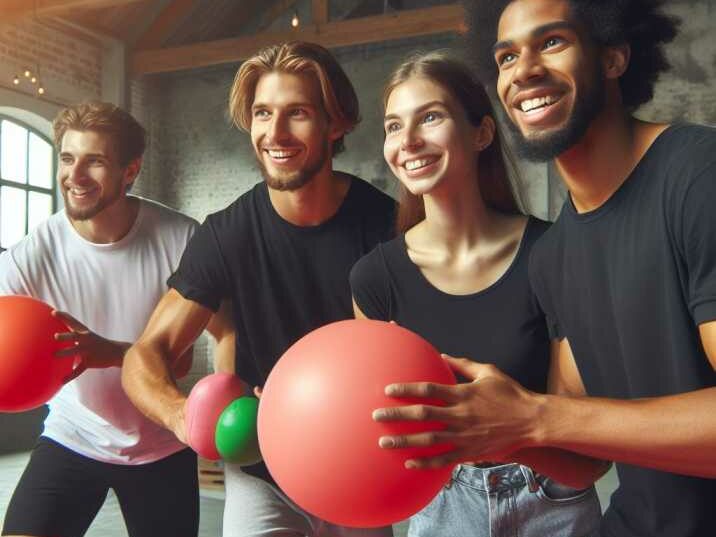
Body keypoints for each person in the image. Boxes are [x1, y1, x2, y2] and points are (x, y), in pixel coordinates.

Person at [370, 2, 716, 536]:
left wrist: (534, 417)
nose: (523, 71)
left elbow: (553, 417)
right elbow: (584, 459)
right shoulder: (556, 256)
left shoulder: (697, 176)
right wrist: (504, 433)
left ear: (614, 57)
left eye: (551, 42)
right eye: (507, 57)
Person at [121, 41, 396, 537]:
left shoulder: (385, 225)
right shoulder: (226, 233)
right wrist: (181, 415)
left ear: (337, 125)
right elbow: (146, 353)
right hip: (259, 472)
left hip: (357, 463)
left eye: (298, 114)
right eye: (263, 113)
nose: (275, 132)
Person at [350, 51, 605, 537]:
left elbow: (587, 461)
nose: (408, 141)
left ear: (483, 133)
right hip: (442, 505)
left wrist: (505, 433)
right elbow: (379, 428)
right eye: (392, 126)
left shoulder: (553, 255)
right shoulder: (374, 279)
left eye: (430, 117)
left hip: (553, 501)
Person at [0, 102, 230, 537]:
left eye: (95, 161)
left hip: (161, 441)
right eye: (67, 158)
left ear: (130, 171)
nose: (76, 175)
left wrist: (107, 353)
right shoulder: (32, 254)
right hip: (73, 435)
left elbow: (179, 366)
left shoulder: (181, 239)